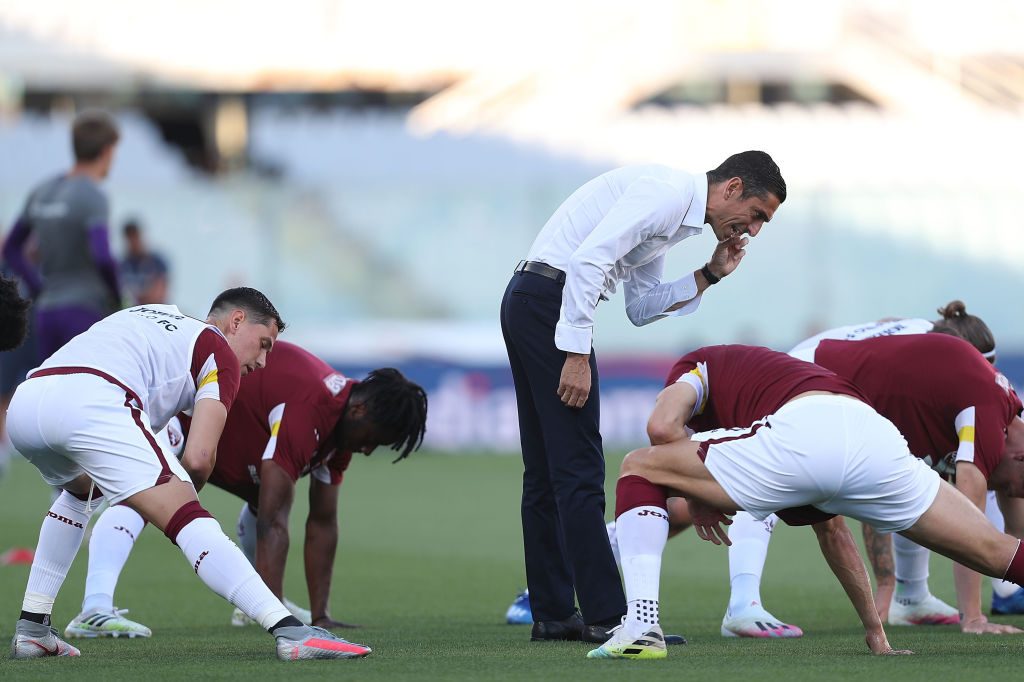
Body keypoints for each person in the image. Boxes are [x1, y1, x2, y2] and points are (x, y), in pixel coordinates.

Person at [500, 152, 786, 642]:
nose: (754, 230)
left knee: (549, 471)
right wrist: (574, 352)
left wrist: (709, 275)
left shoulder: (673, 212)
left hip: (533, 298)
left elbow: (640, 307)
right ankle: (607, 617)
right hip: (549, 303)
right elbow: (589, 260)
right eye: (758, 214)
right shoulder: (667, 195)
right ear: (733, 187)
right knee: (579, 469)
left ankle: (553, 613)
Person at [587, 344, 1024, 660]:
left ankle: (641, 626)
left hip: (809, 429)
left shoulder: (696, 365)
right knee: (994, 548)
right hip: (875, 435)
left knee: (639, 466)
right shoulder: (777, 383)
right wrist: (876, 633)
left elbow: (661, 428)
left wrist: (694, 495)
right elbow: (835, 533)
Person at [7, 288, 370, 662]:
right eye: (263, 344)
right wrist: (176, 503)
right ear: (236, 321)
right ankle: (290, 630)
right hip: (92, 400)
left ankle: (33, 628)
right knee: (188, 513)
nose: (262, 361)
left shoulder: (153, 314)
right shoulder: (220, 353)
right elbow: (198, 458)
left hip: (28, 402)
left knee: (81, 494)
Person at [65, 342, 428, 638]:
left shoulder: (342, 432)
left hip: (231, 442)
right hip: (184, 415)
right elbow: (273, 523)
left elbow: (322, 522)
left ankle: (256, 605)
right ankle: (94, 609)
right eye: (373, 440)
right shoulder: (310, 408)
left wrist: (322, 617)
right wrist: (276, 622)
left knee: (265, 496)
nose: (367, 450)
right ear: (360, 410)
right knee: (146, 489)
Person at [1, 110, 124, 362]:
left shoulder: (42, 191)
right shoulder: (93, 196)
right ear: (107, 151)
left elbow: (11, 248)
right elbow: (102, 256)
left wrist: (37, 286)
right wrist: (117, 296)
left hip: (46, 311)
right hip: (84, 310)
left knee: (52, 389)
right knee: (87, 390)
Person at [119, 219, 170, 305]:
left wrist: (134, 296)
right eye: (129, 238)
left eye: (135, 237)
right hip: (130, 312)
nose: (133, 242)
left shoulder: (157, 263)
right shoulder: (122, 265)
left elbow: (157, 296)